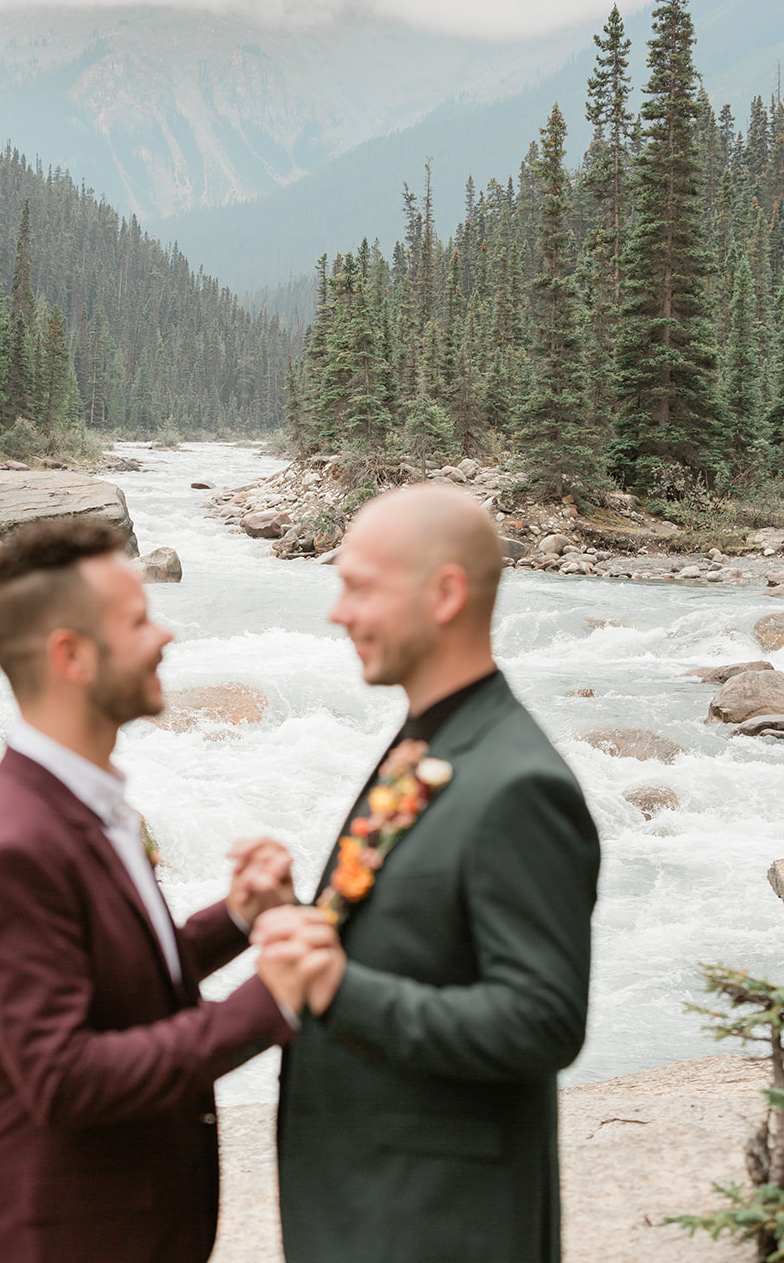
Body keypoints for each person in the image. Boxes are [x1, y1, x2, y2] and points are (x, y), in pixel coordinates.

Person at [252, 483, 600, 1263]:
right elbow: (412, 931)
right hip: (370, 1206)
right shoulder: (434, 739)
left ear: (444, 594)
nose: (337, 612)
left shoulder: (519, 786)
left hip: (442, 1226)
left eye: (358, 586)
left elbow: (543, 1020)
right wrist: (302, 916)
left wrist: (340, 990)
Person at [0, 516, 296, 1263]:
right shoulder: (17, 843)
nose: (163, 637)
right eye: (137, 621)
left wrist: (237, 919)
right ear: (71, 656)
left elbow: (110, 976)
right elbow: (62, 1077)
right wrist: (272, 1000)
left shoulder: (80, 802)